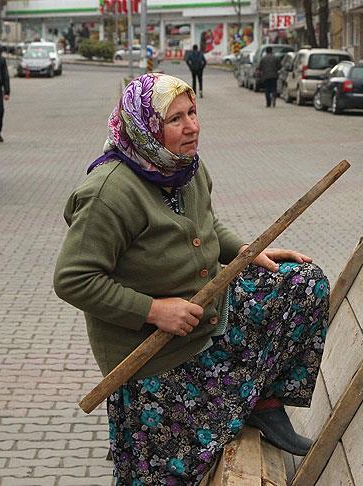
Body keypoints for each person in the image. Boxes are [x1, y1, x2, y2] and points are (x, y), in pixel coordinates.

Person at [53, 73, 330, 485]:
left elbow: (206, 224)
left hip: (207, 318)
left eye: (193, 113)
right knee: (170, 471)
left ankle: (264, 402)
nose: (192, 127)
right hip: (154, 355)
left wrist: (245, 253)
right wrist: (153, 310)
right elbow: (72, 279)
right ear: (145, 128)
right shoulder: (109, 193)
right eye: (176, 119)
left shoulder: (185, 168)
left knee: (304, 282)